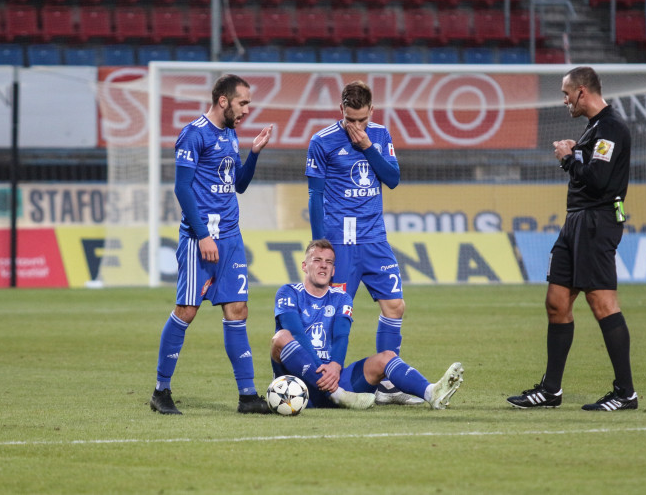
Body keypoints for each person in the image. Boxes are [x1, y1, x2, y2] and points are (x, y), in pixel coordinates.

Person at [507, 66, 637, 412]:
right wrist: (575, 152)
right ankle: (551, 390)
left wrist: (568, 159)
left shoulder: (610, 128)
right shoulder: (594, 128)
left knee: (602, 302)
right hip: (576, 221)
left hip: (597, 222)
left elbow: (597, 180)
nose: (564, 100)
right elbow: (592, 171)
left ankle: (625, 392)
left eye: (566, 94)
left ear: (582, 91)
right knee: (557, 301)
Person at [149, 74, 274, 415]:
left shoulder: (231, 135)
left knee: (237, 311)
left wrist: (254, 153)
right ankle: (161, 391)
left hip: (231, 238)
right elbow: (182, 188)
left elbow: (240, 185)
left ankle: (247, 396)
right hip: (199, 239)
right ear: (223, 101)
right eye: (243, 103)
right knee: (187, 311)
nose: (247, 110)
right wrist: (202, 234)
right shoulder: (193, 134)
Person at [305, 80, 417, 405]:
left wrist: (368, 145)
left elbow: (393, 180)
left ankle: (388, 384)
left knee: (395, 306)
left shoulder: (379, 136)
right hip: (339, 240)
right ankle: (322, 383)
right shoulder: (321, 141)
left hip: (374, 238)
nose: (356, 127)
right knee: (336, 313)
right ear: (341, 109)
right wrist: (319, 245)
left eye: (362, 120)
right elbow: (315, 195)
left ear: (372, 111)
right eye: (350, 120)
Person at [270, 239, 464, 410]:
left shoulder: (342, 297)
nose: (323, 266)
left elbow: (341, 335)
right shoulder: (288, 292)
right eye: (317, 260)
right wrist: (322, 370)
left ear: (334, 270)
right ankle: (336, 395)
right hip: (297, 387)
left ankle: (432, 392)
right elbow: (295, 331)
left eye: (329, 262)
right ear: (304, 266)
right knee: (281, 337)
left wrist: (336, 366)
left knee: (386, 357)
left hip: (334, 377)